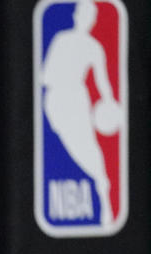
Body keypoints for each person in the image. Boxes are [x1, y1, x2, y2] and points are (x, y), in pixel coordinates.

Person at [42, 0, 120, 223]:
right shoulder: (62, 40)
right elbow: (45, 75)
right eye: (81, 14)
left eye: (88, 16)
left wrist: (109, 103)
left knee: (87, 148)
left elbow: (102, 80)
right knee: (69, 146)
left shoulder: (94, 48)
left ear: (92, 20)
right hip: (56, 99)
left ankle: (104, 197)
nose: (84, 19)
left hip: (76, 98)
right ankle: (102, 187)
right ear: (76, 16)